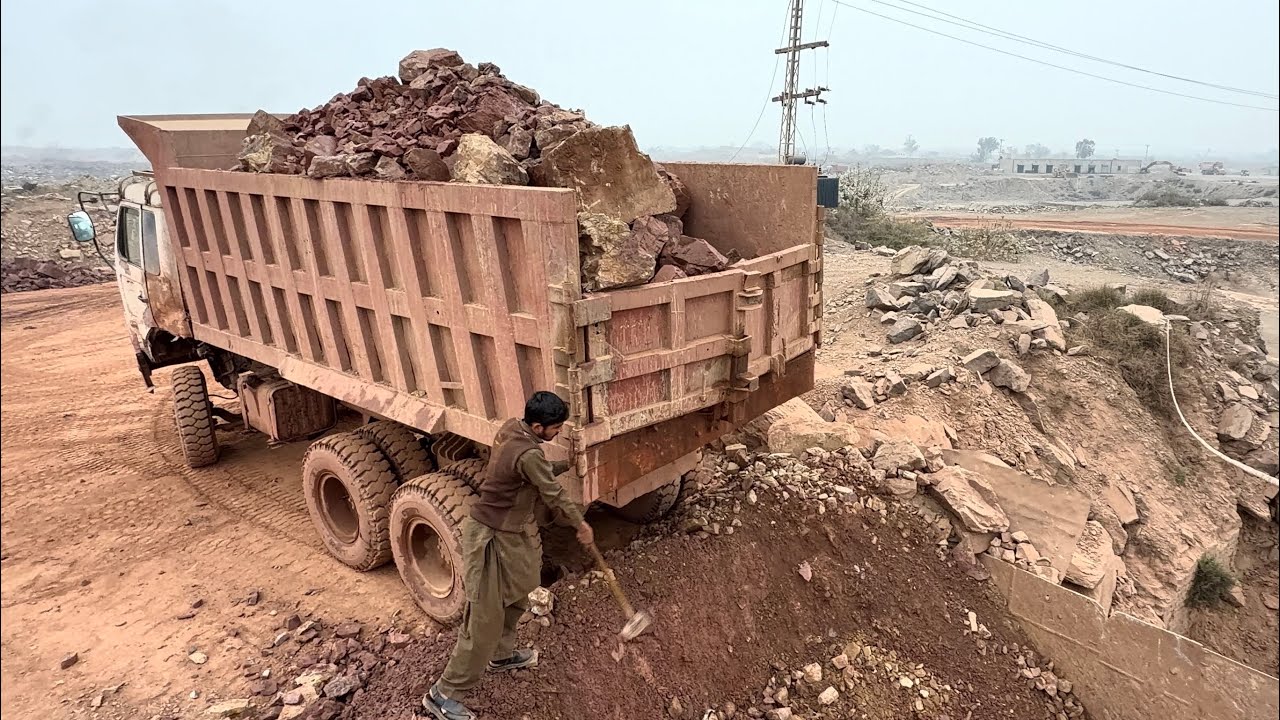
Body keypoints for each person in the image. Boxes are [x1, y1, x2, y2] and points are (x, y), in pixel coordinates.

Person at [422, 391, 594, 720]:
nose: (557, 433)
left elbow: (536, 470)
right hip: (487, 536)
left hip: (510, 534)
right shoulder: (527, 452)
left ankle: (500, 655)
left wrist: (566, 463)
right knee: (483, 617)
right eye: (556, 428)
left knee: (523, 586)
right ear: (538, 426)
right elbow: (552, 492)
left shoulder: (512, 429)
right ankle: (443, 694)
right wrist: (580, 524)